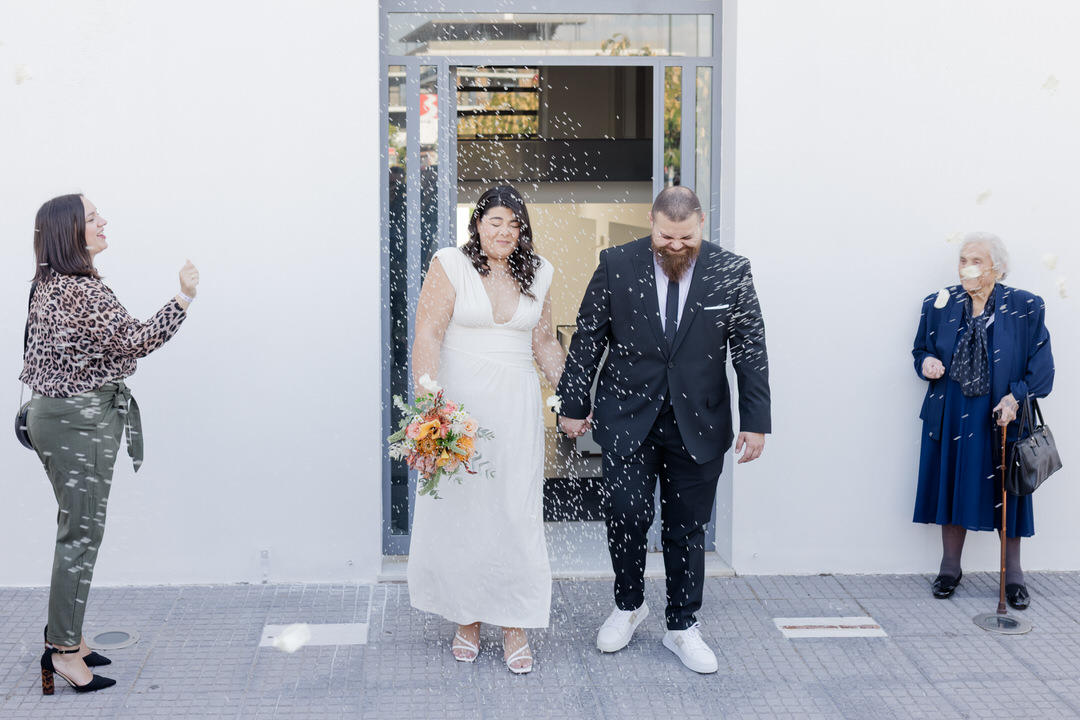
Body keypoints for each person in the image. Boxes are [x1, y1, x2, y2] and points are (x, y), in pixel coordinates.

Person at [557, 186, 771, 674]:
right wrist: (572, 405)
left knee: (687, 528)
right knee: (625, 516)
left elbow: (750, 348)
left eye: (686, 238)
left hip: (701, 421)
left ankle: (682, 625)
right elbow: (588, 338)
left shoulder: (731, 270)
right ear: (652, 223)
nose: (676, 245)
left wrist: (756, 422)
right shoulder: (616, 263)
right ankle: (629, 606)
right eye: (666, 236)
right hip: (627, 416)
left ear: (701, 224)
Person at [22, 194, 199, 694]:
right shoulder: (79, 289)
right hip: (78, 422)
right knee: (80, 534)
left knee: (75, 529)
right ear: (69, 231)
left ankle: (69, 638)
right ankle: (62, 652)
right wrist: (183, 298)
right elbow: (135, 340)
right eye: (92, 217)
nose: (103, 222)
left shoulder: (49, 283)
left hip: (59, 416)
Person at [406, 185, 564, 674]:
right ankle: (467, 617)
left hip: (516, 409)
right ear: (477, 224)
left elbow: (544, 342)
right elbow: (428, 333)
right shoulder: (450, 264)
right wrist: (430, 407)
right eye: (495, 221)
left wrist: (571, 397)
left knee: (516, 512)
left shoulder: (540, 271)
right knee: (464, 512)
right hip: (460, 407)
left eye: (514, 224)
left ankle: (515, 623)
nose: (505, 231)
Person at [912, 232, 1053, 609]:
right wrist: (926, 362)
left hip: (1002, 413)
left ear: (998, 268)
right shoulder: (939, 303)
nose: (967, 268)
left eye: (976, 260)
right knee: (953, 482)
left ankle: (1013, 575)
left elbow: (1042, 369)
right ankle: (949, 568)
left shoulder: (1026, 305)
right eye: (963, 260)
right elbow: (921, 349)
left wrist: (1016, 397)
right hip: (952, 415)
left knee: (1009, 492)